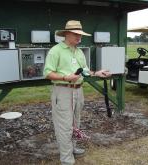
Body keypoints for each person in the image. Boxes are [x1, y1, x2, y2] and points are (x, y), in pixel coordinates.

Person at [43, 20, 111, 165]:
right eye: (76, 34)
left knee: (75, 122)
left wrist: (96, 73)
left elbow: (85, 71)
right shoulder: (56, 51)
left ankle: (72, 148)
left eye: (80, 34)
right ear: (66, 34)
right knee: (64, 126)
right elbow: (48, 73)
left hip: (78, 91)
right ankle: (66, 159)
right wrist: (65, 77)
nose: (79, 37)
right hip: (62, 91)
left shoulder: (79, 51)